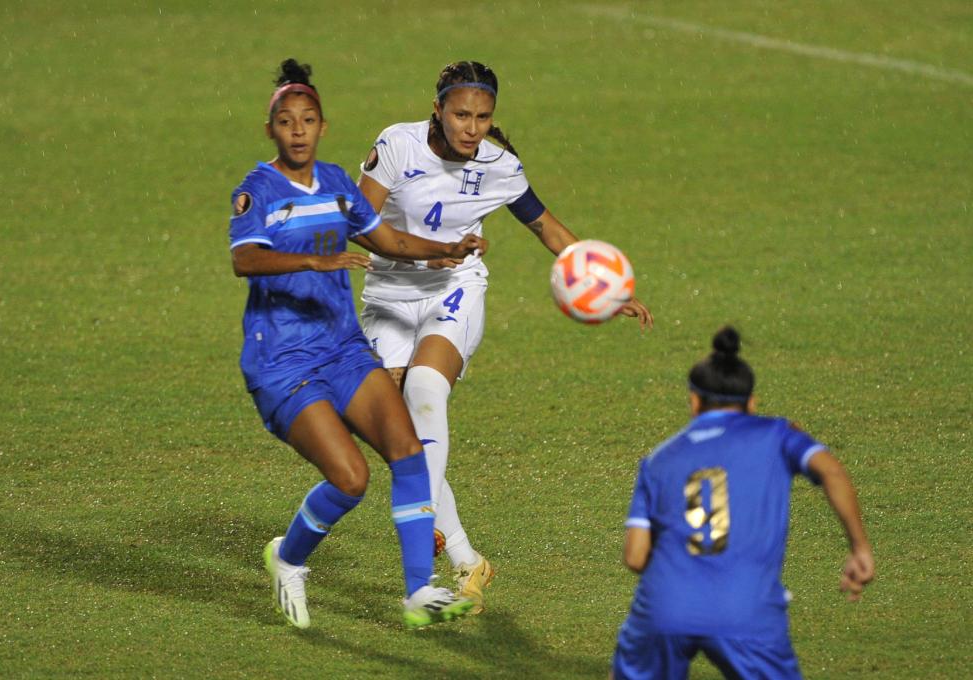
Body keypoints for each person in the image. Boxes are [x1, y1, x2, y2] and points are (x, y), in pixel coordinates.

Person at [356, 60, 654, 611]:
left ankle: (419, 544)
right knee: (398, 433)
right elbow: (359, 220)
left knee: (425, 389)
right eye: (462, 114)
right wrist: (431, 249)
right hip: (387, 299)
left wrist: (602, 286)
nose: (472, 127)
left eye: (483, 116)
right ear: (439, 108)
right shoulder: (397, 146)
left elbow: (544, 223)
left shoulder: (499, 165)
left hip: (456, 291)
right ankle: (468, 561)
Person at [228, 59, 489, 630]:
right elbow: (244, 258)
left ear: (323, 127)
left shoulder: (341, 186)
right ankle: (287, 557)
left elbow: (388, 238)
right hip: (282, 363)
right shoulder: (257, 191)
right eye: (287, 120)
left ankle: (419, 591)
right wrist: (314, 258)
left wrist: (442, 251)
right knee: (351, 479)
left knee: (409, 453)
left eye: (309, 119)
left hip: (343, 350)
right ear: (271, 128)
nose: (298, 129)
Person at [611, 327, 875, 679]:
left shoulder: (658, 460)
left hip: (665, 606)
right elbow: (832, 471)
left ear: (693, 401)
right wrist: (859, 547)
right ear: (751, 403)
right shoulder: (777, 434)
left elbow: (634, 557)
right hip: (745, 607)